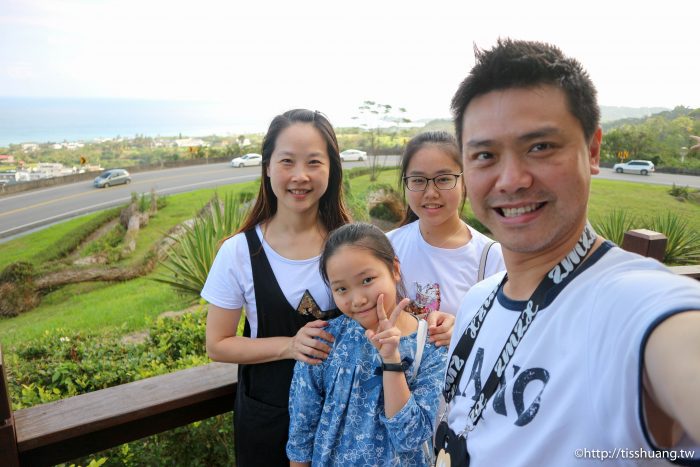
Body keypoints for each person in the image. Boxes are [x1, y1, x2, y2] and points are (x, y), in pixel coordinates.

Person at [439, 39, 700, 466]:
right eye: (485, 155)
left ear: (592, 150)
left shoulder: (628, 303)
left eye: (540, 147)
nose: (511, 179)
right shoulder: (476, 301)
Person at [202, 109, 351, 466]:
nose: (300, 176)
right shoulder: (238, 252)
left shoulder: (351, 244)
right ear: (267, 167)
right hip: (268, 422)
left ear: (331, 169)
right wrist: (289, 346)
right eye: (287, 161)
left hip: (346, 422)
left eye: (314, 162)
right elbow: (217, 344)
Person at [287, 223, 447, 466]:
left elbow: (411, 437)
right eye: (341, 288)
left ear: (394, 269)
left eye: (367, 280)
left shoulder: (431, 345)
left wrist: (391, 360)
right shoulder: (323, 341)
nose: (358, 300)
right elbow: (301, 434)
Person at [387, 131, 505, 317]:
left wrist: (459, 330)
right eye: (418, 180)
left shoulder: (491, 258)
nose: (431, 192)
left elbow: (501, 331)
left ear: (464, 181)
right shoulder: (387, 246)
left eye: (443, 179)